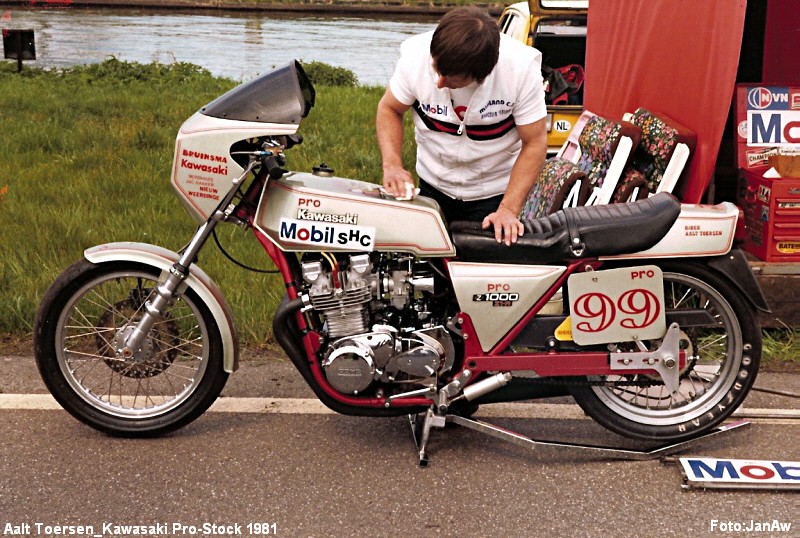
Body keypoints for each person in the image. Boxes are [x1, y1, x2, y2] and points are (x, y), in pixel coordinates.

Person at [376, 7, 548, 245]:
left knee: (479, 274)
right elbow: (389, 109)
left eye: (451, 79)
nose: (439, 82)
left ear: (481, 74)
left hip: (494, 192)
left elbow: (535, 142)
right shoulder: (416, 55)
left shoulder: (519, 70)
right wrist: (392, 165)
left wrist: (508, 209)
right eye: (437, 69)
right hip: (433, 184)